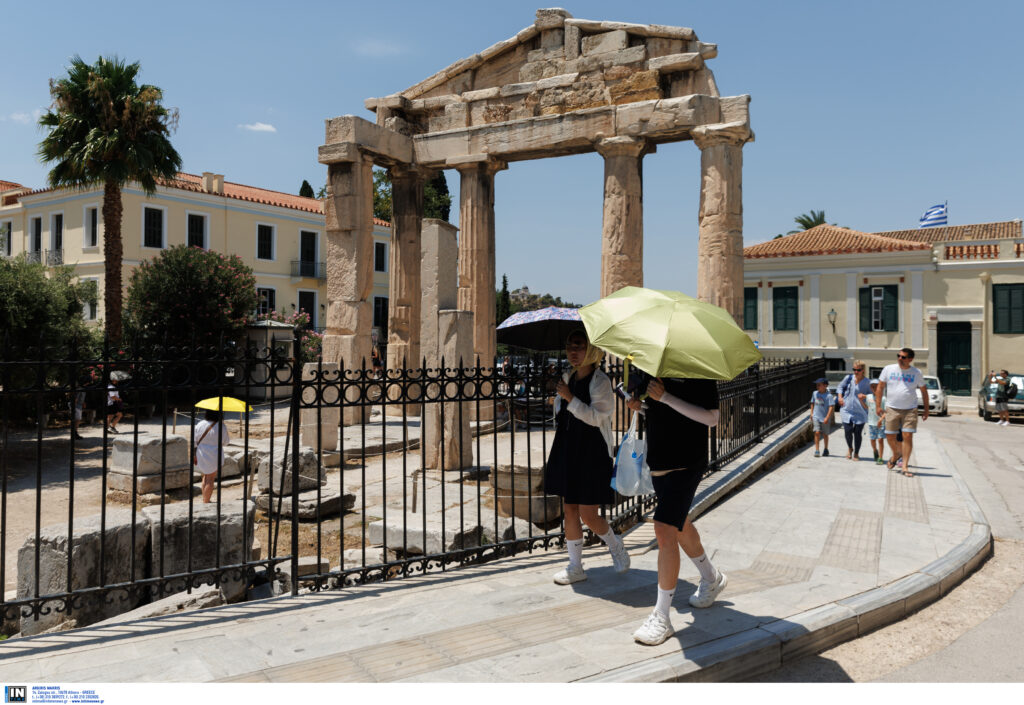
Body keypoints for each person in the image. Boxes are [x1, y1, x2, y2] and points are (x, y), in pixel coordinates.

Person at [626, 375, 723, 646]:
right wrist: (641, 406)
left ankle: (662, 616)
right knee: (679, 524)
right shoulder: (653, 368)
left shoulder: (698, 370)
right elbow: (661, 410)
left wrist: (666, 396)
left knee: (664, 528)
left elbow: (712, 418)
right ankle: (711, 577)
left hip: (687, 460)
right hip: (659, 459)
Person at [544, 330, 630, 585]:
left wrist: (569, 398)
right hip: (567, 447)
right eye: (569, 346)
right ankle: (575, 566)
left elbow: (597, 418)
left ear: (591, 350)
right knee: (569, 509)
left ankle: (615, 545)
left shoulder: (601, 381)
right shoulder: (567, 377)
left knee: (589, 515)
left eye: (579, 346)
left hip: (591, 451)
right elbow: (562, 413)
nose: (572, 351)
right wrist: (560, 399)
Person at [875, 347, 929, 477]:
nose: (900, 359)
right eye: (898, 356)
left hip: (910, 409)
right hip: (892, 408)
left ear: (910, 359)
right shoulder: (888, 369)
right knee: (889, 436)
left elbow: (923, 391)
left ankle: (904, 466)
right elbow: (880, 387)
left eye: (903, 357)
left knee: (907, 436)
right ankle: (896, 454)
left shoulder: (916, 372)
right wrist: (878, 405)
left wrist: (926, 409)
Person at [193, 409, 231, 503]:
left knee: (205, 477)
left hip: (201, 453)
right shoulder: (221, 426)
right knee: (210, 479)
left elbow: (194, 441)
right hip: (214, 455)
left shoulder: (200, 424)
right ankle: (206, 501)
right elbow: (226, 442)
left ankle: (204, 499)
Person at [837, 361, 872, 460]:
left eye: (858, 370)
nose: (856, 372)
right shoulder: (848, 378)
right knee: (847, 431)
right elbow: (840, 387)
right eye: (854, 369)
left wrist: (864, 396)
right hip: (846, 409)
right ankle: (850, 448)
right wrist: (840, 397)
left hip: (860, 411)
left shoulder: (867, 382)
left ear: (863, 370)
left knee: (857, 433)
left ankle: (856, 453)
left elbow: (872, 396)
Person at [810, 377, 836, 458]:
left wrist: (827, 417)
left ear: (825, 385)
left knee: (825, 434)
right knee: (817, 432)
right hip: (816, 416)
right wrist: (811, 413)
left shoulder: (829, 396)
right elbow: (812, 403)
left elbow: (831, 407)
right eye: (817, 385)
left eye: (819, 385)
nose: (817, 386)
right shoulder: (815, 393)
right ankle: (817, 450)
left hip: (824, 418)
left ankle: (826, 449)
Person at [867, 379, 886, 464]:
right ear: (870, 387)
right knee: (872, 440)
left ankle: (881, 458)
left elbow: (887, 411)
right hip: (871, 422)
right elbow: (867, 407)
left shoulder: (884, 398)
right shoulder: (868, 397)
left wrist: (881, 419)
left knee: (880, 440)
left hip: (881, 423)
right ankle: (875, 451)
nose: (874, 388)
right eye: (872, 386)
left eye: (876, 386)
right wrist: (860, 400)